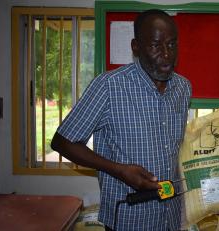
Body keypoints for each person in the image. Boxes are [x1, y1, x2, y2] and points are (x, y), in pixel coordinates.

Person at [51, 9, 192, 231]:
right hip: (128, 218)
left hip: (170, 217)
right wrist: (119, 170)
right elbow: (62, 142)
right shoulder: (108, 86)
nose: (167, 54)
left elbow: (174, 148)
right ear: (135, 47)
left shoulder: (183, 88)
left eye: (172, 44)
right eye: (156, 46)